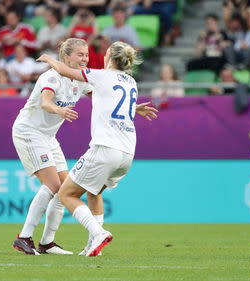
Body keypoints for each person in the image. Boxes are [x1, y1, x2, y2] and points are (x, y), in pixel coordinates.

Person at [13, 38, 157, 256]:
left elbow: (109, 97)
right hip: (29, 132)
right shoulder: (51, 76)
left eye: (87, 55)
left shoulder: (83, 80)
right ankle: (24, 238)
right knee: (54, 187)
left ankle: (47, 242)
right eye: (80, 55)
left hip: (49, 137)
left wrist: (133, 108)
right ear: (66, 56)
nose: (85, 59)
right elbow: (45, 102)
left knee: (63, 189)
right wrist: (58, 110)